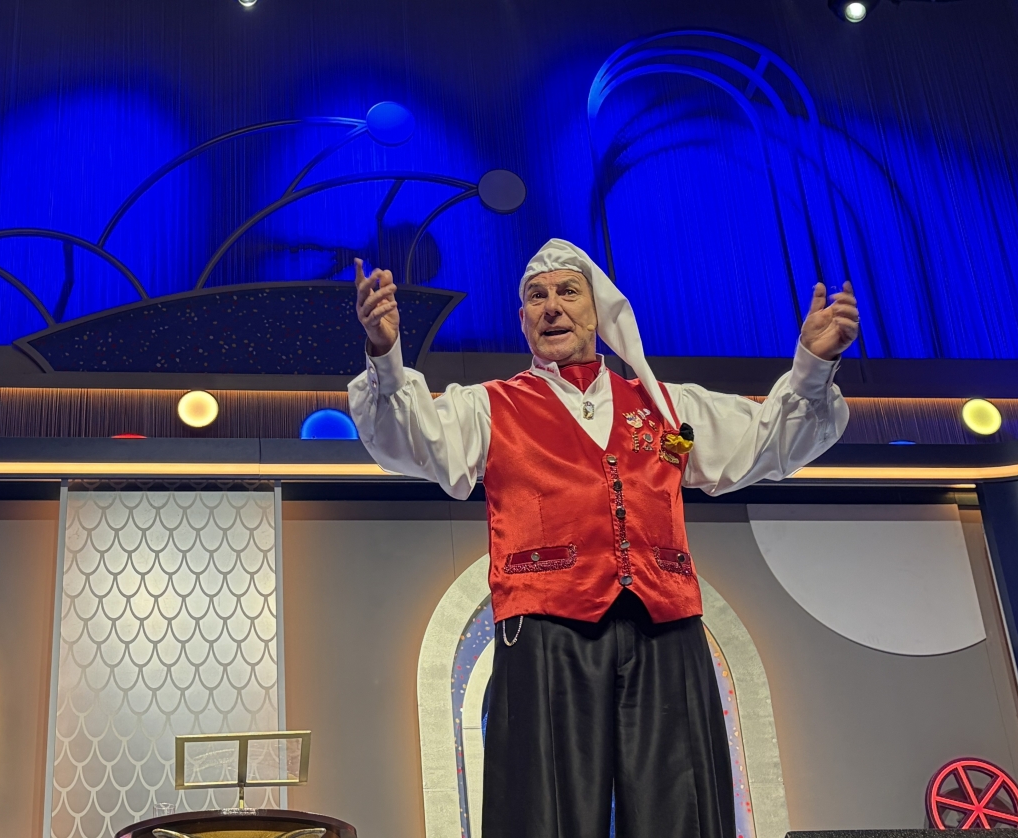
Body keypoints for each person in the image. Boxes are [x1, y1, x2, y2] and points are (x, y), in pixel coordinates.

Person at [348, 239, 858, 838]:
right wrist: (385, 353)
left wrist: (812, 365)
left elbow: (761, 443)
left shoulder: (665, 410)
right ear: (522, 319)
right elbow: (410, 438)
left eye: (568, 292)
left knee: (681, 807)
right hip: (547, 628)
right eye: (536, 297)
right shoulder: (491, 408)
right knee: (546, 812)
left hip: (664, 627)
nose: (551, 307)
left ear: (601, 312)